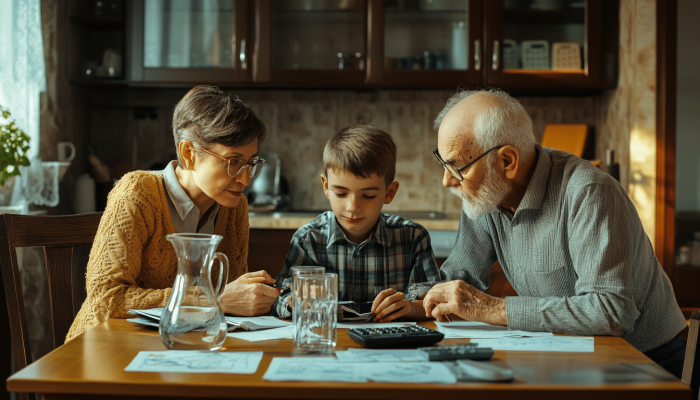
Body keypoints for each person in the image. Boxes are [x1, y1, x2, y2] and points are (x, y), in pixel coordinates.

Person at [421, 88, 687, 378]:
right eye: (444, 163)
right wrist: (414, 302)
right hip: (567, 352)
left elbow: (611, 312)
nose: (447, 180)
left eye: (457, 165)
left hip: (645, 361)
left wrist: (492, 308)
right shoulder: (486, 194)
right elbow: (457, 280)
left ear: (507, 161)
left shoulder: (590, 192)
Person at [67, 86, 280, 341]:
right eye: (233, 162)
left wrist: (252, 297)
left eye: (250, 163)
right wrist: (213, 300)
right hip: (105, 348)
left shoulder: (235, 207)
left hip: (185, 347)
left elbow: (231, 304)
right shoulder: (136, 192)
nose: (246, 179)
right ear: (189, 154)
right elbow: (106, 300)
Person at [272, 125, 440, 322]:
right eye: (341, 193)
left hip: (389, 346)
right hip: (329, 344)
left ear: (389, 193)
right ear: (326, 186)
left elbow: (435, 303)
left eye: (368, 195)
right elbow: (279, 301)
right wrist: (295, 301)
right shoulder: (307, 238)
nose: (352, 207)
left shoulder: (413, 237)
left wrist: (411, 308)